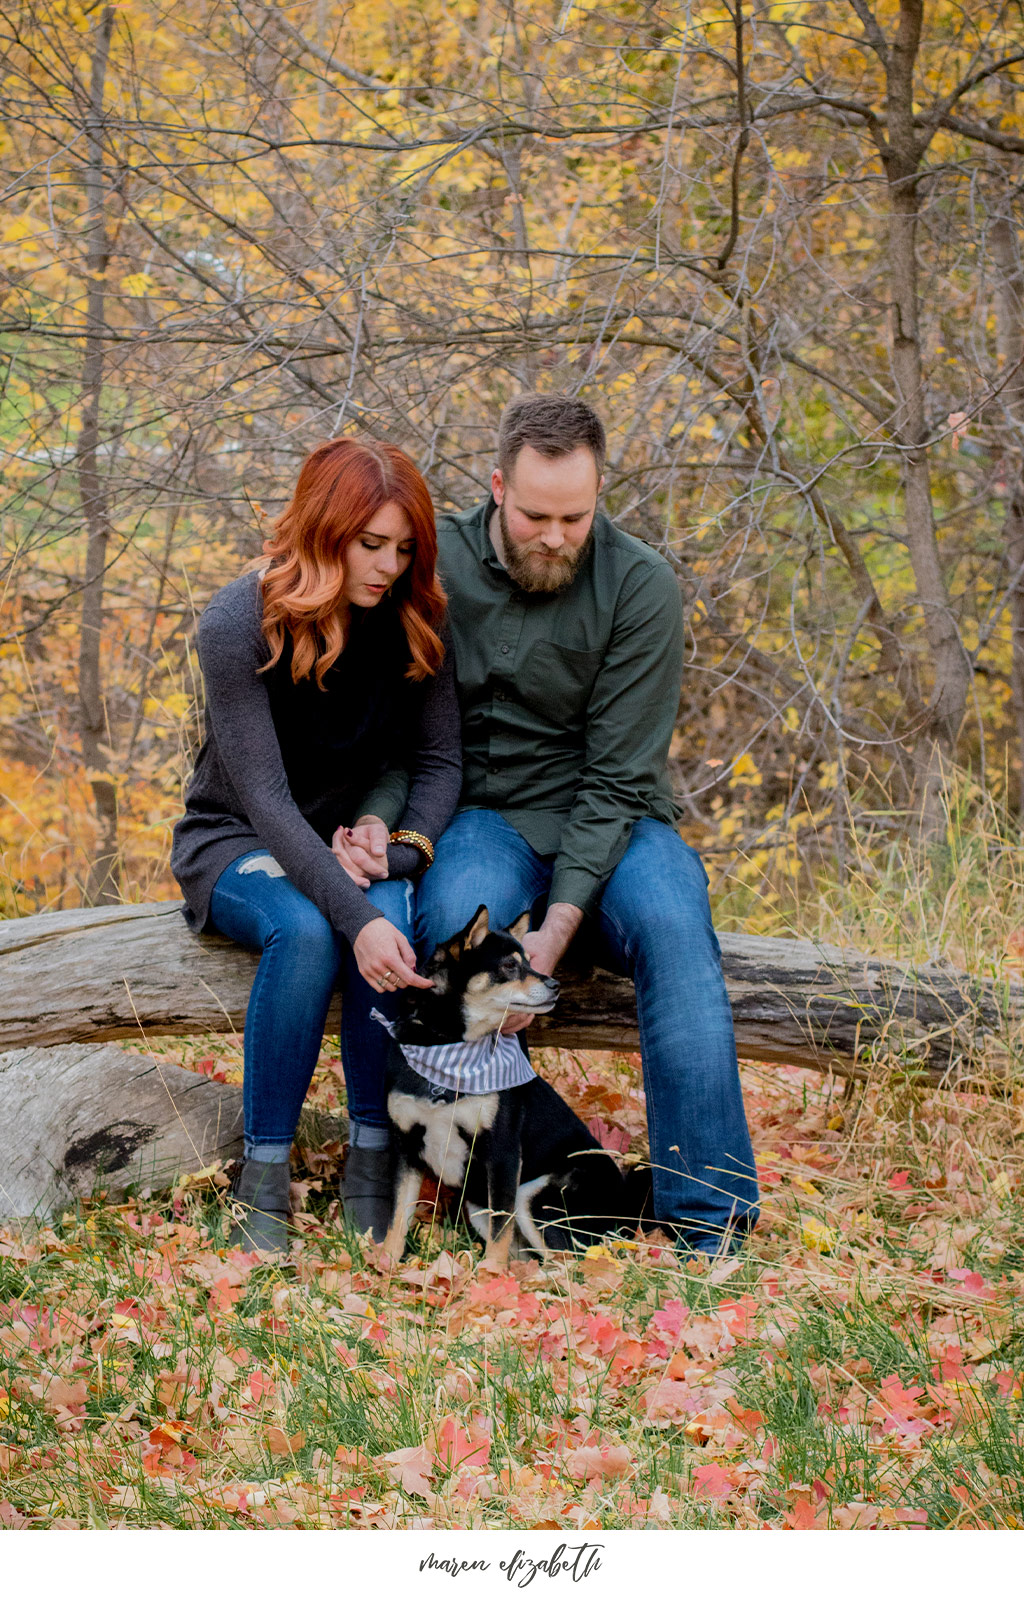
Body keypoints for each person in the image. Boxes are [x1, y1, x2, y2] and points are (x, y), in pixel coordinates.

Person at [352, 395, 759, 1255]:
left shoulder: (640, 584)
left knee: (676, 925)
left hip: (614, 824)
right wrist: (375, 821)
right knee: (450, 916)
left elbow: (616, 781)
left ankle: (711, 1220)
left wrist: (557, 929)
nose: (556, 535)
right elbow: (401, 738)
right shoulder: (435, 570)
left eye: (577, 515)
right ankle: (488, 1188)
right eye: (536, 514)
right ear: (498, 487)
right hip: (484, 818)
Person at [171, 437, 461, 1253]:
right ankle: (260, 1183)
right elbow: (262, 796)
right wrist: (353, 915)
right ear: (321, 529)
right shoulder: (237, 621)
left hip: (348, 842)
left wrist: (394, 855)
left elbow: (438, 761)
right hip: (235, 839)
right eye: (371, 544)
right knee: (306, 931)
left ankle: (373, 1162)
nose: (387, 566)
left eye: (404, 549)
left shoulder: (417, 617)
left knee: (393, 909)